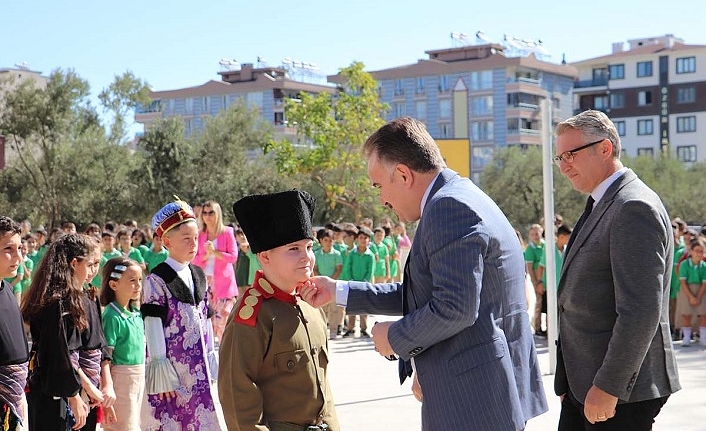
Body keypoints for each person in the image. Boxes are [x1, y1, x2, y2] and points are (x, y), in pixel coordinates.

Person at [300, 117, 547, 431]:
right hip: (483, 391)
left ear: (403, 174)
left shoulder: (449, 208)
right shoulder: (461, 195)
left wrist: (394, 337)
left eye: (379, 186)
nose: (381, 200)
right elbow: (428, 293)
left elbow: (454, 308)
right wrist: (338, 291)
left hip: (473, 400)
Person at [553, 109, 680, 430]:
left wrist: (609, 386)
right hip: (585, 384)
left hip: (618, 393)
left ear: (605, 148)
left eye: (570, 154)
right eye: (559, 158)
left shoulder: (632, 207)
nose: (564, 165)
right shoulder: (603, 202)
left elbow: (640, 311)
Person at [219, 189, 339, 431]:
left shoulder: (311, 306)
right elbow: (237, 397)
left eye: (309, 247)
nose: (306, 257)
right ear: (265, 256)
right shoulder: (253, 314)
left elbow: (324, 389)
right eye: (293, 249)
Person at [140, 198, 221, 431]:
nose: (193, 244)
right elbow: (153, 325)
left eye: (195, 238)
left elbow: (206, 321)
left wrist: (211, 355)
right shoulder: (157, 280)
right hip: (174, 371)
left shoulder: (199, 275)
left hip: (200, 369)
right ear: (167, 241)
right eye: (186, 239)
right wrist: (160, 368)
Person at [22, 233, 93, 430]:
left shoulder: (61, 300)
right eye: (88, 265)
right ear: (74, 263)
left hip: (55, 389)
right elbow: (58, 355)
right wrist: (73, 396)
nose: (90, 272)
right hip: (52, 392)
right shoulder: (57, 303)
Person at [100, 257, 146, 431]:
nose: (138, 285)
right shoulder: (111, 316)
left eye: (140, 280)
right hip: (120, 381)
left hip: (138, 379)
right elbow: (105, 359)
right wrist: (106, 397)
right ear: (114, 285)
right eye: (132, 280)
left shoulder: (136, 313)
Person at [192, 200, 238, 343]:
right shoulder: (200, 235)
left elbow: (233, 257)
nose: (207, 216)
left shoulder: (227, 232)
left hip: (223, 284)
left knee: (224, 320)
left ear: (217, 213)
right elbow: (194, 259)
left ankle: (226, 355)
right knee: (207, 320)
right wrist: (206, 254)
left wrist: (215, 252)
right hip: (205, 282)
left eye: (210, 212)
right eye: (204, 213)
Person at [0, 216, 30, 430]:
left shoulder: (8, 289)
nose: (17, 256)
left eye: (20, 248)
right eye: (8, 249)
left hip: (15, 401)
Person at [676, 237, 706, 346]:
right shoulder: (684, 264)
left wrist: (698, 296)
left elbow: (704, 283)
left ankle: (703, 337)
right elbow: (683, 281)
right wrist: (691, 297)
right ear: (691, 251)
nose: (699, 253)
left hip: (701, 290)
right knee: (686, 314)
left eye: (702, 251)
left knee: (703, 314)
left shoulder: (704, 266)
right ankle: (686, 337)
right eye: (697, 251)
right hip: (687, 289)